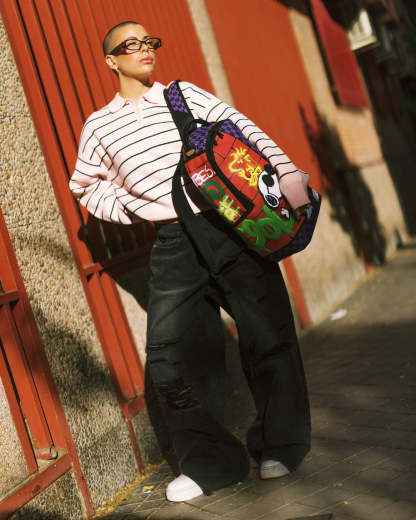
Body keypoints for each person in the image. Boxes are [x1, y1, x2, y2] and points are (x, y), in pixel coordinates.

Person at [69, 20, 311, 502]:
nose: (144, 49)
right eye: (130, 45)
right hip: (174, 241)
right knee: (170, 355)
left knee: (268, 335)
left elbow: (245, 130)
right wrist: (136, 208)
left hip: (231, 226)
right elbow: (85, 185)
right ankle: (211, 464)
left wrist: (286, 174)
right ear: (111, 61)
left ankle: (280, 445)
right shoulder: (99, 124)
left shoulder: (182, 95)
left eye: (148, 42)